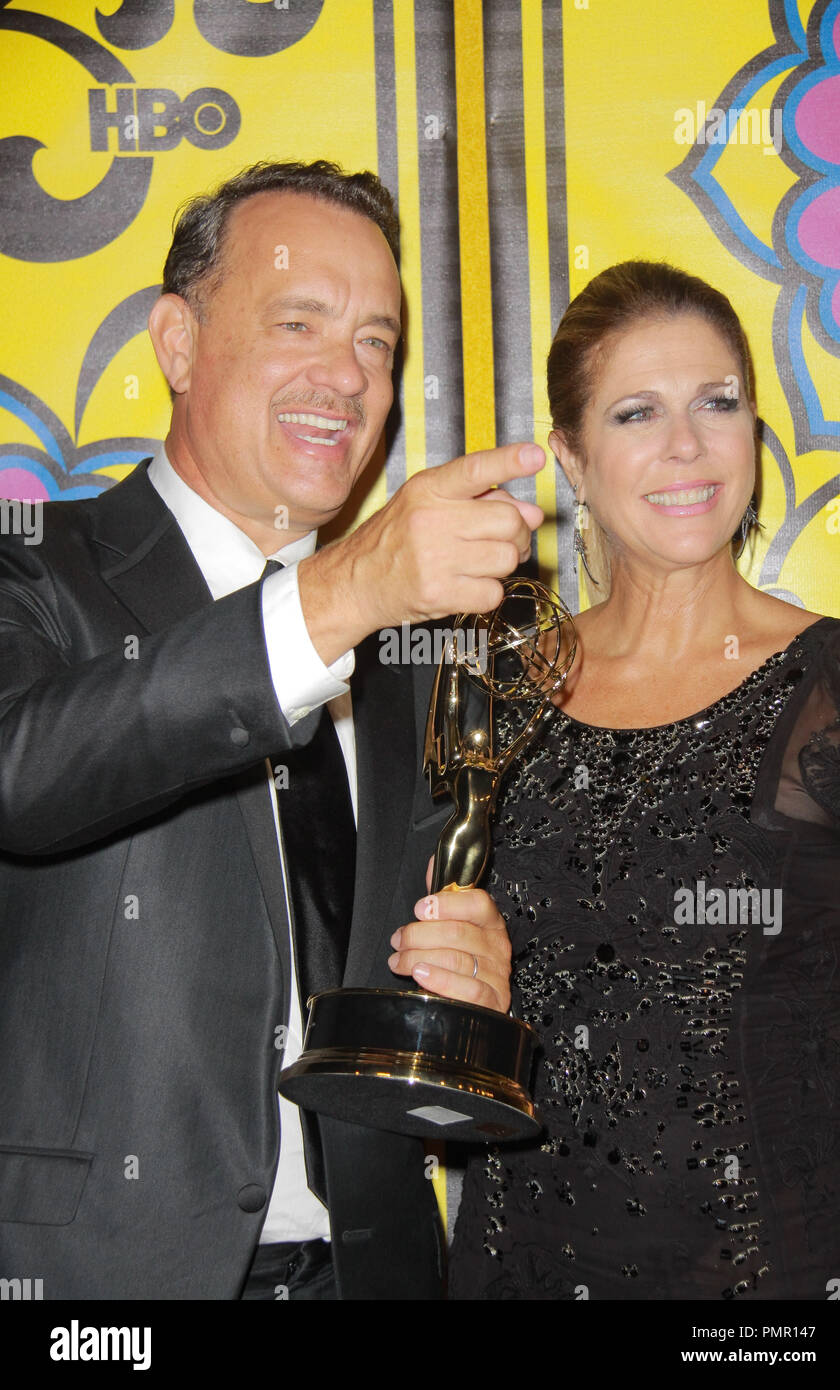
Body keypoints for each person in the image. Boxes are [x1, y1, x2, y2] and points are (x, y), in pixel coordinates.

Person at [0, 159, 547, 1300]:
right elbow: (24, 773)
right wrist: (337, 594)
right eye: (299, 320)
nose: (346, 377)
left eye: (376, 344)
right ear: (179, 342)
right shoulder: (36, 569)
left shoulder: (415, 655)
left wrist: (471, 982)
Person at [448, 260, 840, 1301]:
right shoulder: (492, 693)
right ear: (571, 461)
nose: (685, 445)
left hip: (774, 1274)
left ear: (754, 434)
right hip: (522, 1258)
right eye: (636, 412)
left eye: (715, 403)